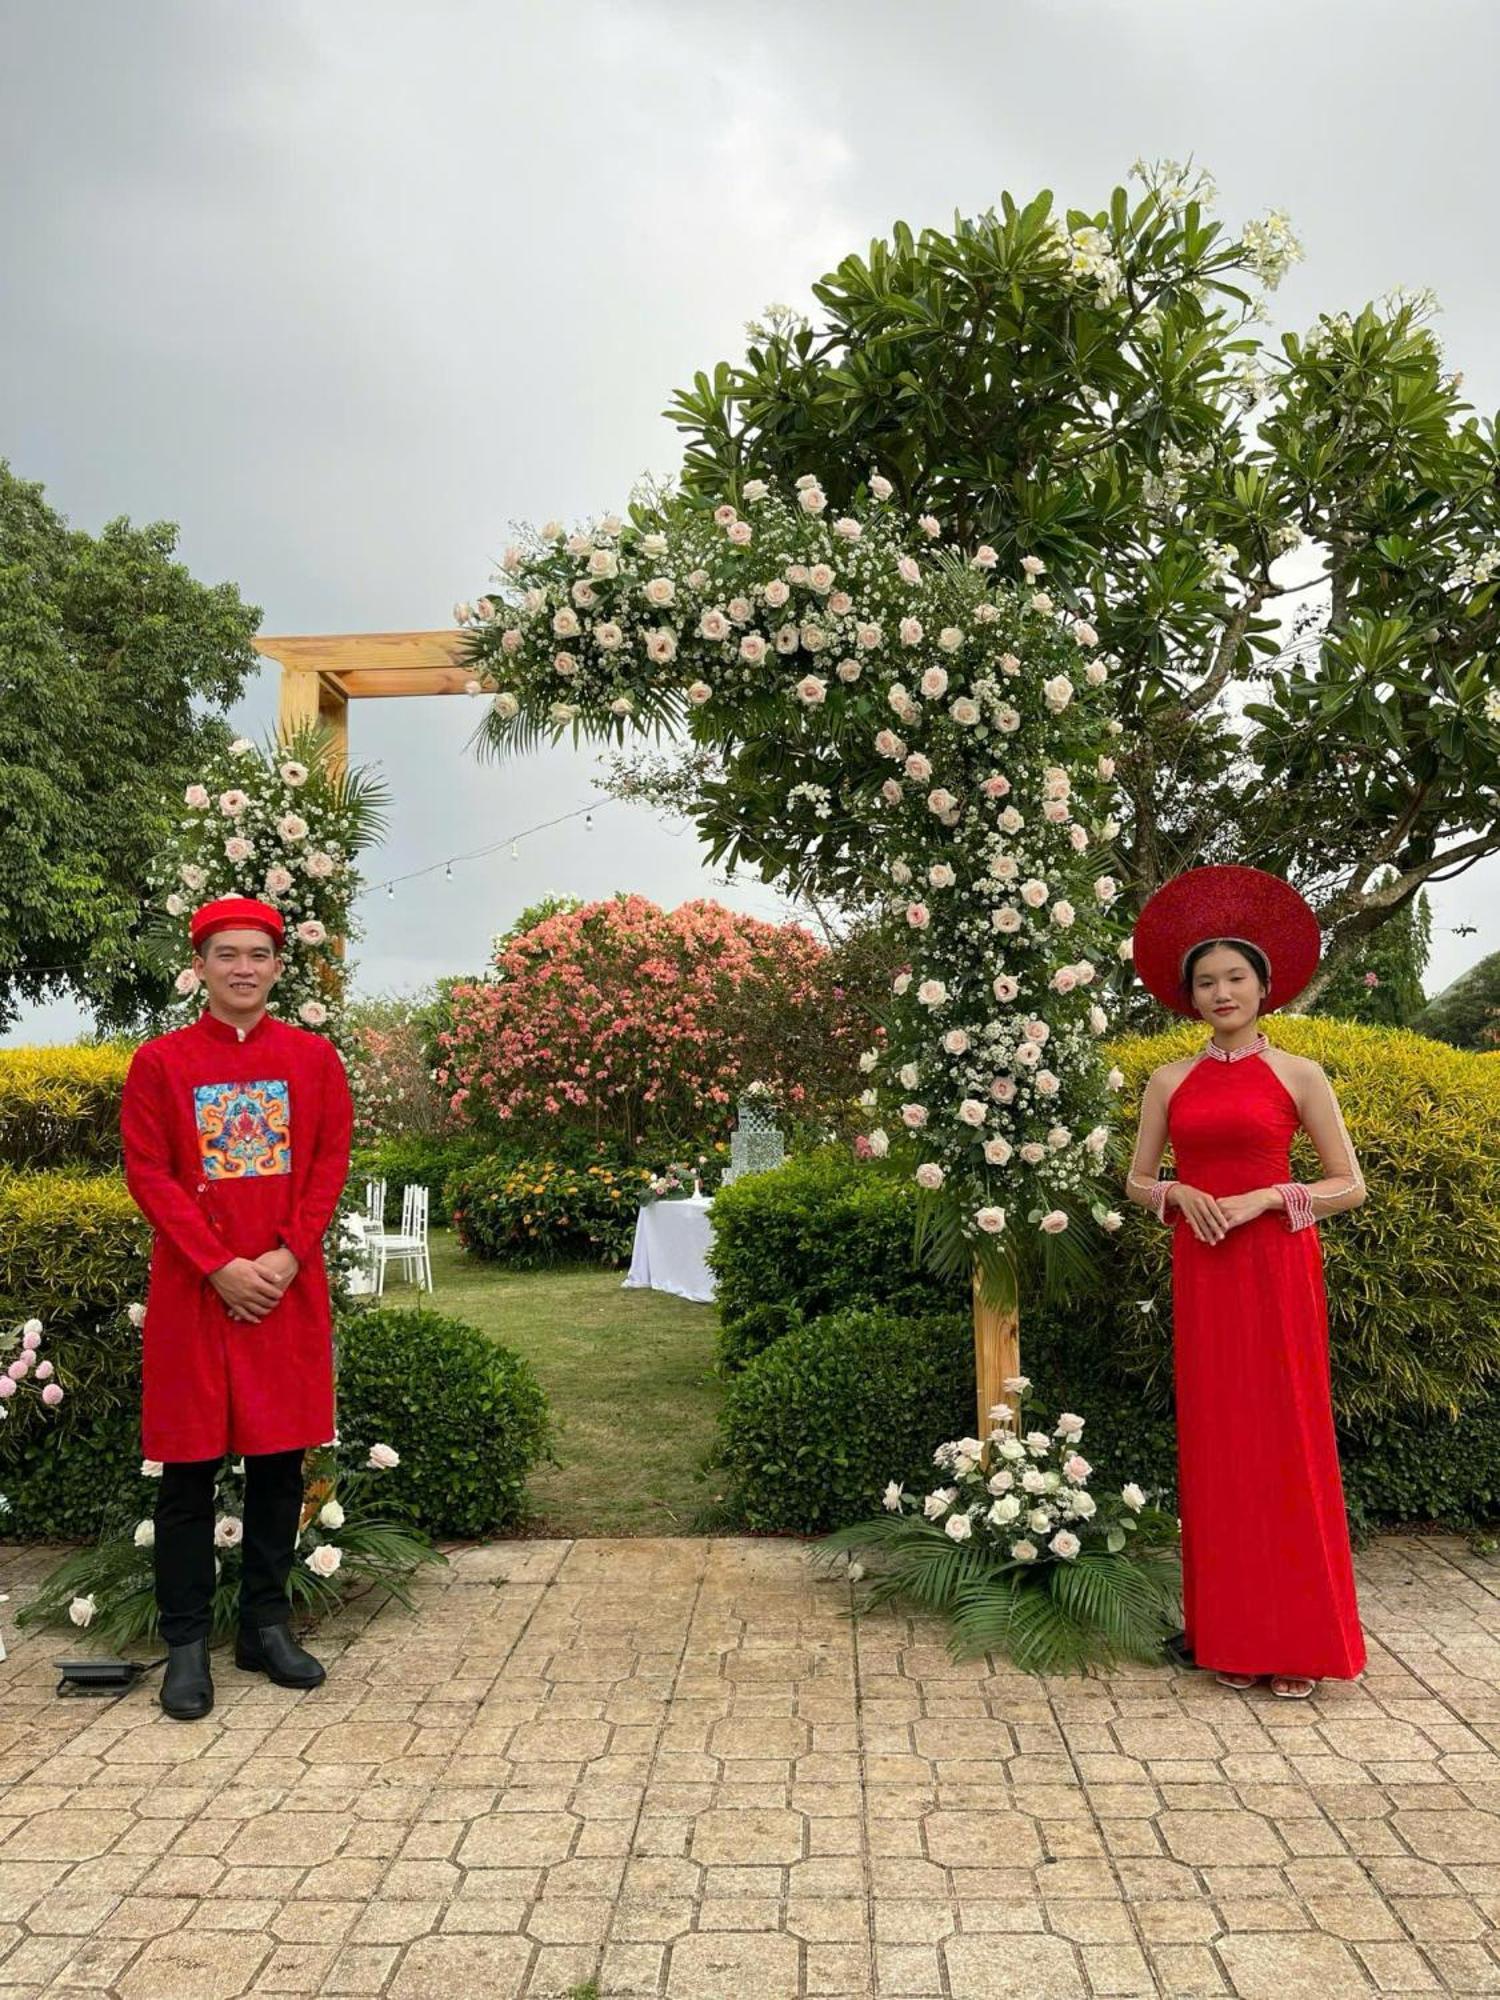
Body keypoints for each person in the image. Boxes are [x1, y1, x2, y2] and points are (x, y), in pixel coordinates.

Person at [1123, 865, 1367, 1699]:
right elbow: (1134, 1180)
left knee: (1287, 1437)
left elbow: (1349, 1185)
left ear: (1264, 987)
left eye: (1235, 977)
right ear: (1188, 997)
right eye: (1206, 981)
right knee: (1219, 1444)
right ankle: (1229, 1635)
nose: (1221, 991)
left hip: (1276, 1267)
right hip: (1204, 1269)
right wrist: (1177, 1195)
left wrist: (1269, 1194)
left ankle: (1299, 1642)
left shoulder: (1301, 1075)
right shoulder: (1169, 1081)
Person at [120, 895, 353, 1720]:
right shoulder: (160, 1063)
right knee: (186, 1473)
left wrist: (289, 1253)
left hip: (285, 1290)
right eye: (227, 955)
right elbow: (148, 1172)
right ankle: (187, 1642)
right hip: (195, 1291)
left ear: (279, 966)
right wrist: (218, 1264)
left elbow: (327, 1160)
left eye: (258, 954)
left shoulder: (314, 1059)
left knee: (279, 1465)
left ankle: (264, 1625)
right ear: (202, 966)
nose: (244, 968)